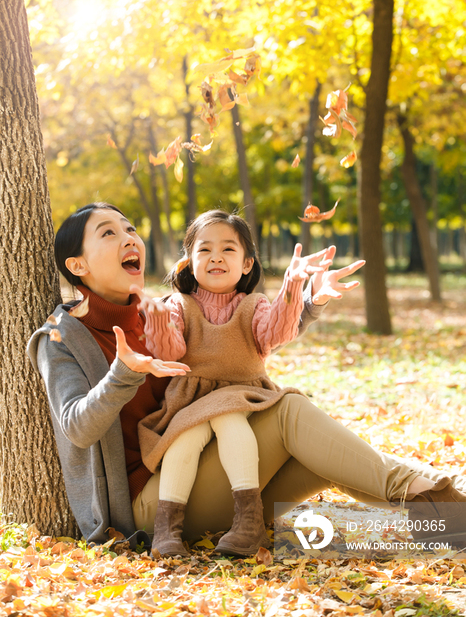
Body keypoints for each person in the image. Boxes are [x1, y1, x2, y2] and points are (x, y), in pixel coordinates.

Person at [27, 203, 466, 553]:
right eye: (109, 233)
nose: (129, 238)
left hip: (214, 462)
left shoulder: (160, 311)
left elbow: (240, 338)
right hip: (153, 504)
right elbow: (77, 429)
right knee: (290, 410)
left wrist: (306, 299)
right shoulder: (62, 339)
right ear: (78, 265)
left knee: (324, 455)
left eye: (130, 229)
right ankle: (442, 499)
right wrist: (124, 372)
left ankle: (445, 520)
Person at [135, 210, 341, 557]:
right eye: (204, 250)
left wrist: (292, 285)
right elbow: (172, 350)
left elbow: (276, 332)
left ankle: (249, 521)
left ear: (247, 264)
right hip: (191, 402)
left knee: (230, 420)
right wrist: (156, 322)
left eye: (228, 249)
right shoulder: (178, 306)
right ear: (188, 262)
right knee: (182, 442)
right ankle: (166, 530)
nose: (216, 256)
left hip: (243, 397)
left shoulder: (254, 305)